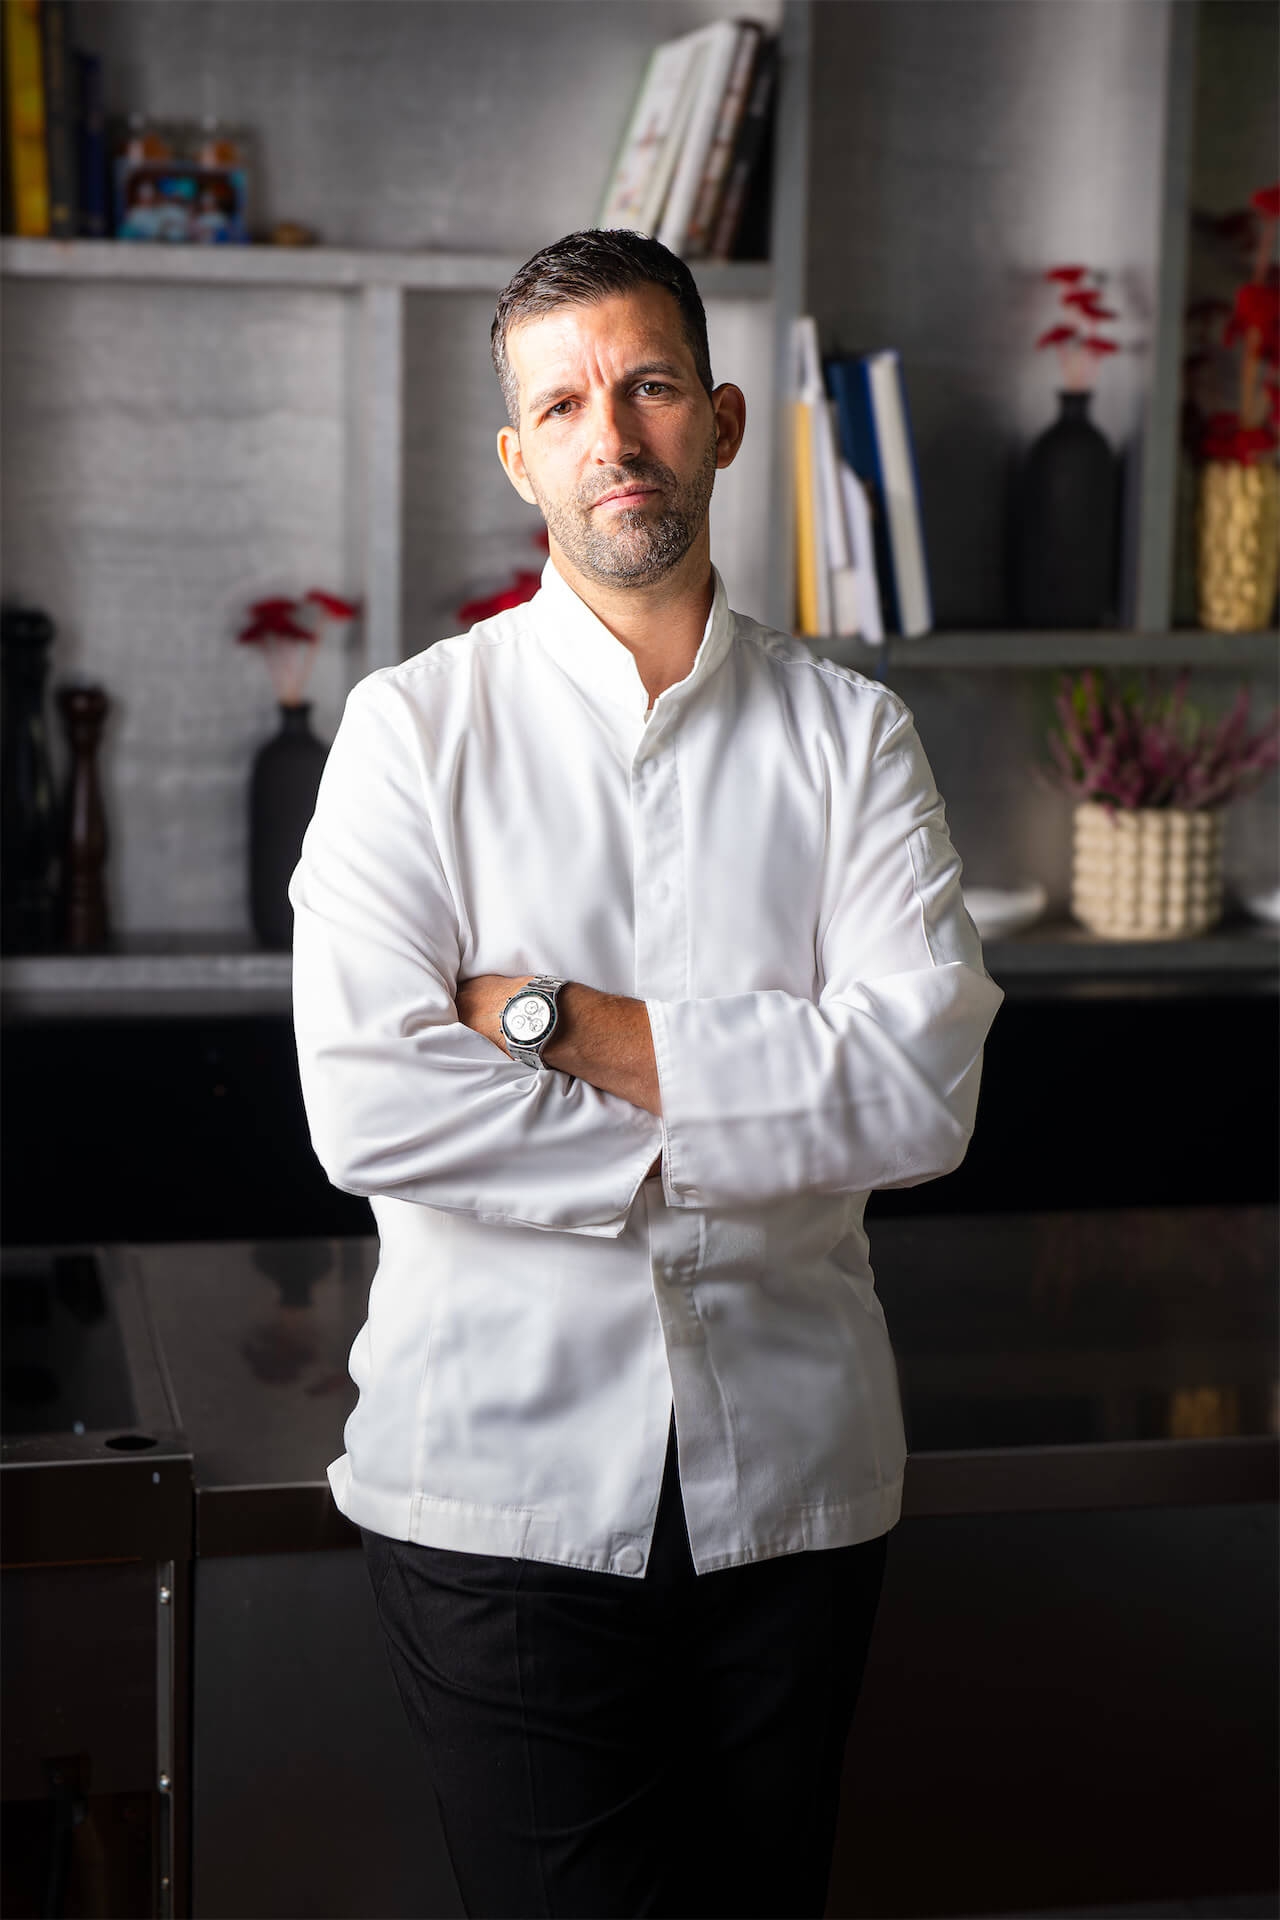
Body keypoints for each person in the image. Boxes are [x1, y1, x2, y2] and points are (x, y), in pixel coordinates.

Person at [289, 228, 1004, 1920]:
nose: (611, 434)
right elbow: (370, 1101)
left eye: (651, 385)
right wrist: (760, 1115)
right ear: (518, 456)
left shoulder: (854, 739)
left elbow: (921, 1092)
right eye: (564, 404)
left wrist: (558, 1026)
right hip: (496, 1498)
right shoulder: (412, 732)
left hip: (798, 1489)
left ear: (723, 419)